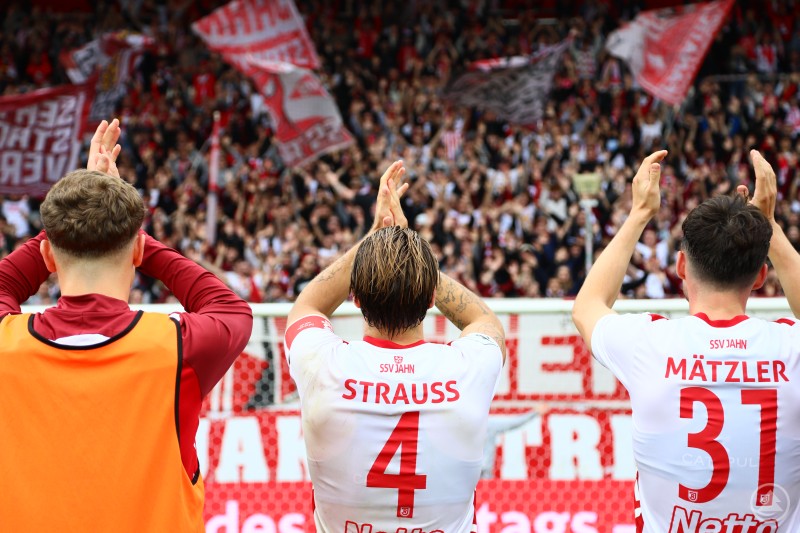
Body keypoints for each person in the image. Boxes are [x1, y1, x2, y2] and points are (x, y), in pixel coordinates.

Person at [0, 119, 253, 532]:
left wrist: (70, 221)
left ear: (47, 253)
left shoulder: (5, 346)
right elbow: (228, 308)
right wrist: (134, 236)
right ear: (137, 248)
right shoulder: (177, 347)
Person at [572, 149, 800, 530]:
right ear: (761, 277)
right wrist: (770, 226)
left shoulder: (650, 344)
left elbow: (587, 306)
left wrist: (639, 213)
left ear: (680, 267)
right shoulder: (790, 348)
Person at [284, 161, 506, 532]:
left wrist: (377, 239)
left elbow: (307, 307)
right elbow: (484, 322)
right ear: (433, 295)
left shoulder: (323, 364)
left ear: (355, 297)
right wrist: (410, 254)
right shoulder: (467, 367)